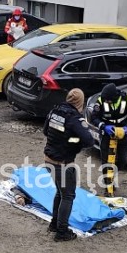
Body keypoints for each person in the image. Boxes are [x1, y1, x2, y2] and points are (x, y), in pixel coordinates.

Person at [43, 88, 95, 242]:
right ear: (80, 102)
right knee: (68, 196)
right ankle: (62, 231)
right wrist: (73, 141)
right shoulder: (74, 118)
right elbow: (89, 141)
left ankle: (54, 224)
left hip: (49, 160)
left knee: (60, 193)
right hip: (63, 163)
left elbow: (46, 131)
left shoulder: (55, 111)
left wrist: (62, 139)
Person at [89, 83, 127, 193]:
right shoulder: (101, 100)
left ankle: (112, 174)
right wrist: (103, 126)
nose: (107, 101)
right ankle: (108, 184)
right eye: (105, 100)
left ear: (114, 97)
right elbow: (94, 117)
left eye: (108, 100)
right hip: (107, 132)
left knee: (123, 159)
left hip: (123, 132)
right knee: (106, 160)